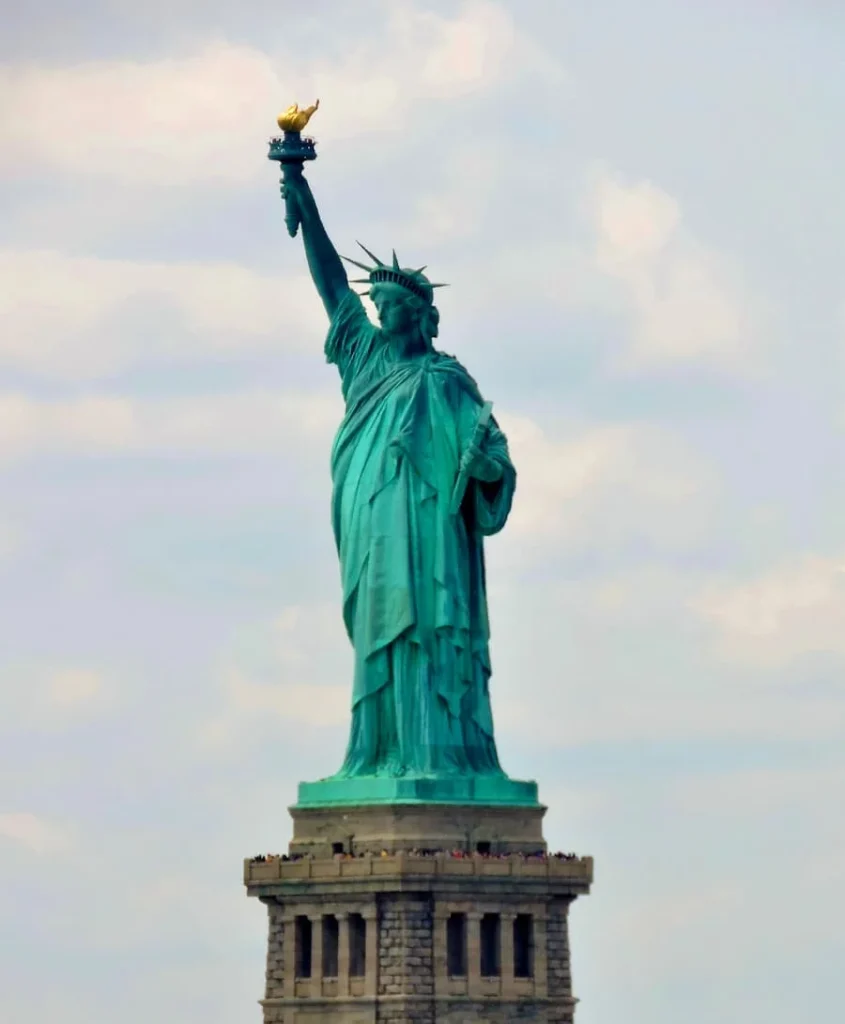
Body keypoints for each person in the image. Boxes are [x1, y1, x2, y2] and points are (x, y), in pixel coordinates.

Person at [282, 173, 516, 779]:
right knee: (381, 627)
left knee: (430, 627)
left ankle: (436, 750)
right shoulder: (363, 356)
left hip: (433, 529)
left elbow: (494, 458)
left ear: (417, 316)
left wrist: (486, 468)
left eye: (389, 305)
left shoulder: (448, 380)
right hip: (373, 519)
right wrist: (302, 194)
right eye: (377, 305)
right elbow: (332, 284)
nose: (379, 312)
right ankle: (377, 750)